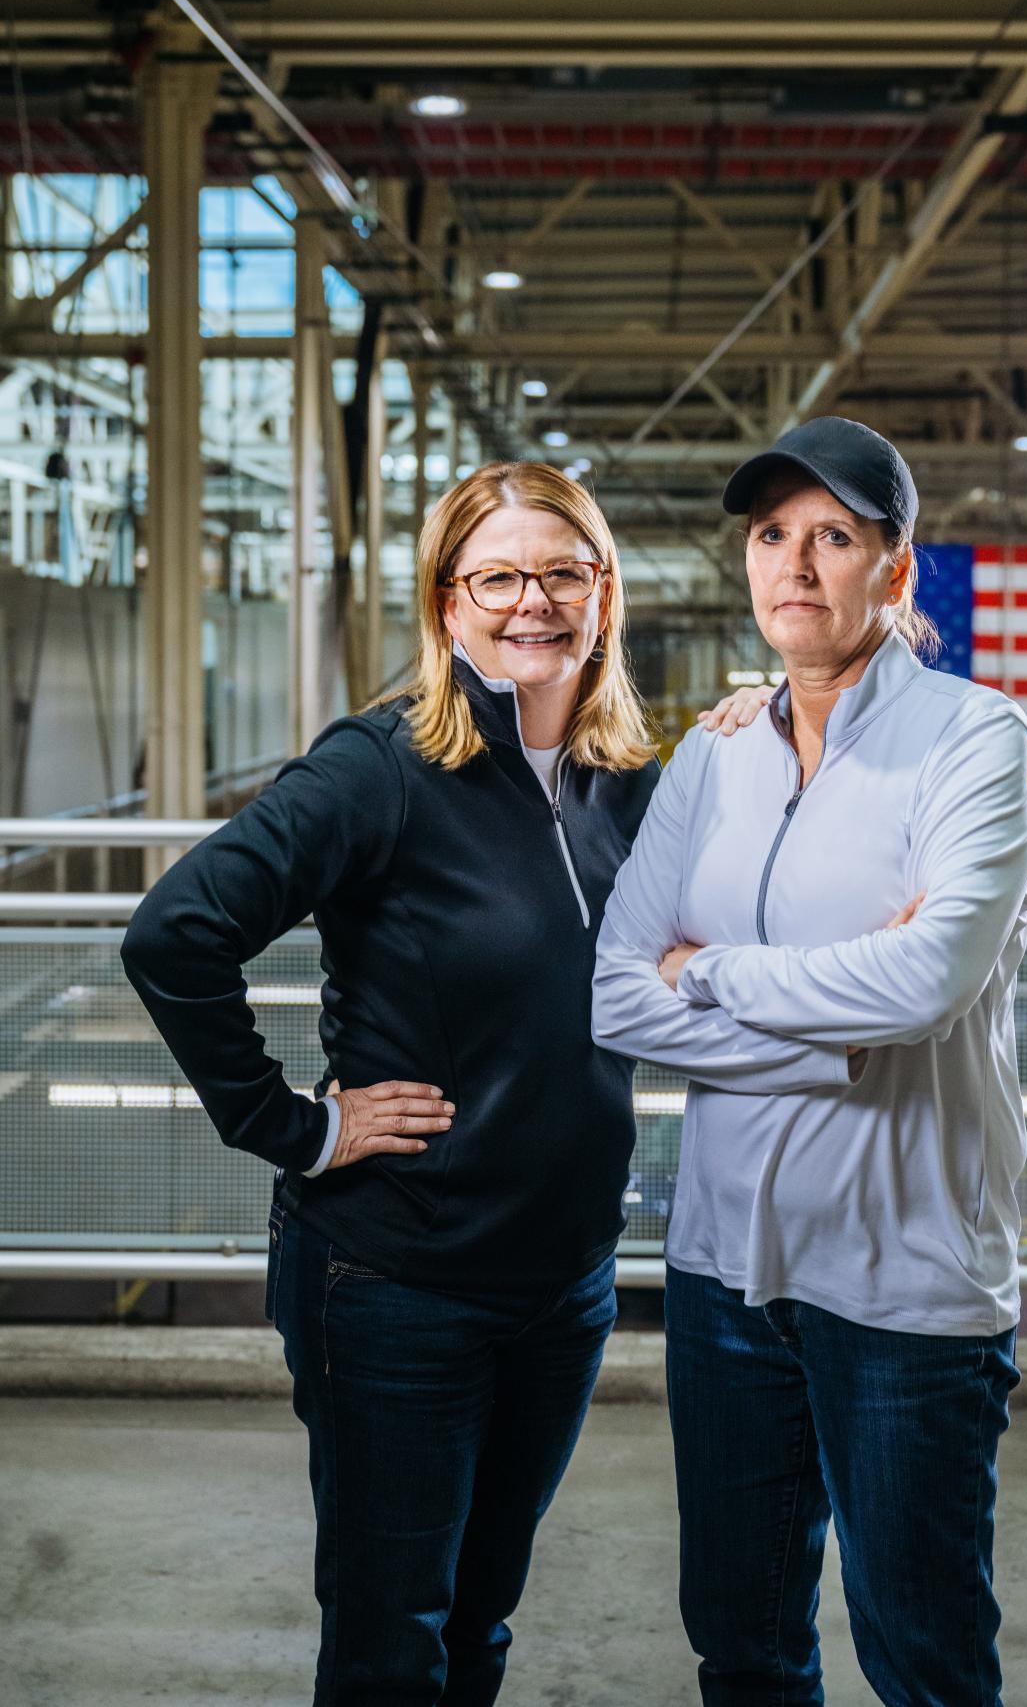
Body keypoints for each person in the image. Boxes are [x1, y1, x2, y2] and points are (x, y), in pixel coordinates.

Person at [120, 458, 767, 1707]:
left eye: (564, 571)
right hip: (396, 1283)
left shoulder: (617, 784)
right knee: (389, 1645)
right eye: (499, 576)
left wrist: (754, 734)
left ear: (605, 591)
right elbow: (173, 934)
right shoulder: (383, 766)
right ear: (448, 603)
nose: (535, 601)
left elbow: (685, 946)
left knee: (480, 1623)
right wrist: (295, 1128)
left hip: (563, 1284)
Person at [592, 415, 1027, 1707]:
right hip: (721, 1278)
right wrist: (839, 1041)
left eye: (832, 536)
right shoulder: (714, 751)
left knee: (925, 1659)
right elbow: (617, 994)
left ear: (893, 573)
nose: (794, 563)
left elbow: (928, 976)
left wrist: (714, 972)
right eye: (771, 534)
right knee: (740, 1649)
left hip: (905, 1285)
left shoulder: (972, 739)